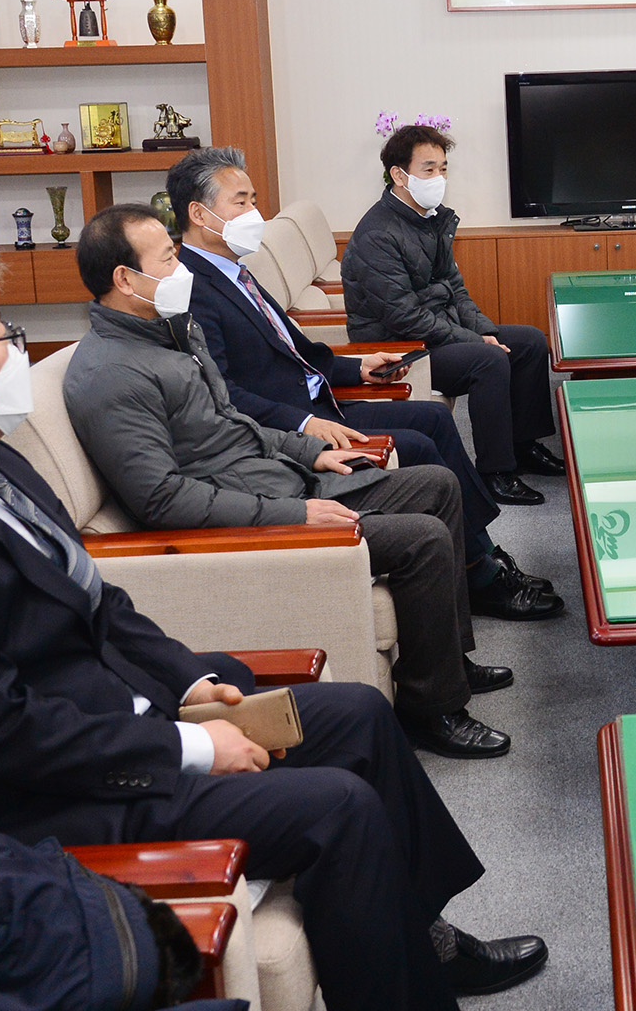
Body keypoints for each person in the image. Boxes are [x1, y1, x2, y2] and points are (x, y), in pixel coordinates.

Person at [0, 231, 548, 1009]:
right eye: (0, 337)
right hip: (39, 799)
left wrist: (190, 682)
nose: (17, 351)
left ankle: (423, 938)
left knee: (356, 714)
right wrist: (191, 746)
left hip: (112, 722)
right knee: (337, 806)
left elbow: (99, 604)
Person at [62, 204, 512, 759]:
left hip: (277, 477)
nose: (182, 269)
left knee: (437, 485)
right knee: (421, 538)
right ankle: (434, 709)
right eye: (169, 259)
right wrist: (296, 515)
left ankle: (446, 664)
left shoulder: (171, 331)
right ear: (126, 279)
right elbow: (162, 498)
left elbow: (233, 421)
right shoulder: (111, 374)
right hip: (258, 511)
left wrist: (310, 451)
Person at [167, 147, 562, 621]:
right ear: (199, 214)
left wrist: (356, 369)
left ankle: (480, 555)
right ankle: (481, 572)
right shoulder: (194, 288)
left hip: (321, 400)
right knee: (418, 442)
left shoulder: (234, 271)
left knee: (434, 419)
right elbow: (223, 392)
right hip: (290, 428)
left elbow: (296, 352)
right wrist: (304, 424)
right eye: (242, 202)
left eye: (254, 200)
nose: (256, 214)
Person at [340, 125, 563, 504]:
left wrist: (483, 329)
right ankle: (495, 472)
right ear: (399, 175)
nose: (439, 178)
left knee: (528, 341)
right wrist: (476, 340)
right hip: (398, 348)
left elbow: (455, 289)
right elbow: (404, 317)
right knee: (488, 360)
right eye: (428, 169)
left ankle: (523, 446)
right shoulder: (377, 234)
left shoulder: (431, 219)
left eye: (443, 168)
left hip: (435, 331)